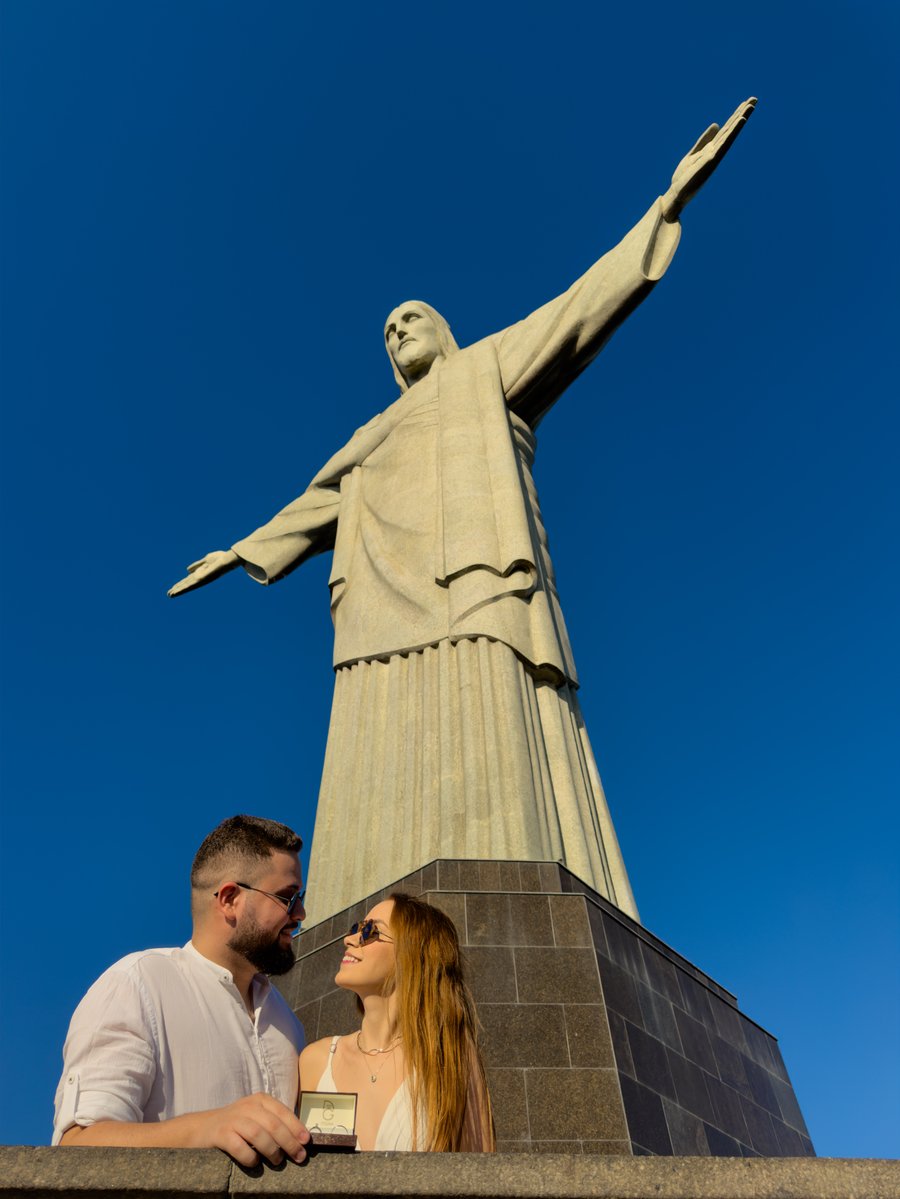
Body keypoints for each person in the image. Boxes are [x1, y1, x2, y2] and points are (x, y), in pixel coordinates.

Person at [168, 99, 757, 925]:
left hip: (473, 582)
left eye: (413, 317)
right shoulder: (369, 435)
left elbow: (581, 307)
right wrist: (239, 552)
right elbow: (315, 504)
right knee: (377, 751)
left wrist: (667, 206)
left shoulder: (486, 372)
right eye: (387, 328)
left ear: (443, 332)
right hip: (378, 615)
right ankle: (365, 905)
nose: (399, 328)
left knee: (490, 733)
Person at [53, 815, 311, 1168]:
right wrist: (205, 1129)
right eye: (287, 897)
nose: (300, 913)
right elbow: (79, 1146)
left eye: (300, 897)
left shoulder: (289, 1024)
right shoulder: (138, 984)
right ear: (230, 899)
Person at [298, 893, 494, 1151]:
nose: (349, 939)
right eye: (356, 928)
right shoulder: (317, 1060)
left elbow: (480, 1176)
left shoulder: (449, 1057)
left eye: (370, 931)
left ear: (412, 953)